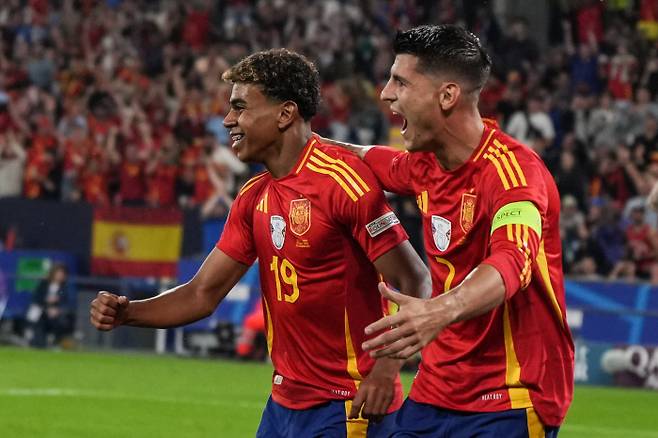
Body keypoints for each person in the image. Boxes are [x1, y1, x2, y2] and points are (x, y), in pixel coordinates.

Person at [90, 48, 431, 437]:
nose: (228, 120)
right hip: (283, 405)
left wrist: (386, 371)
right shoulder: (254, 196)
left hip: (348, 404)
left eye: (240, 108)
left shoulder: (341, 181)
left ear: (285, 114)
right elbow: (202, 293)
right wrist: (129, 313)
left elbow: (414, 279)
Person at [329, 25, 574, 436]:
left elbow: (512, 263)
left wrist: (437, 311)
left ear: (447, 96)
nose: (386, 93)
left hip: (509, 394)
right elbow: (358, 158)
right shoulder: (424, 165)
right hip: (435, 390)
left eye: (400, 82)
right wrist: (287, 143)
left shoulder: (515, 174)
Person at [26, 264, 75, 348]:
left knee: (60, 322)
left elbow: (70, 303)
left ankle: (55, 343)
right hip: (42, 310)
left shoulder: (66, 287)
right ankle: (38, 344)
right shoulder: (44, 284)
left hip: (58, 314)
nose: (60, 276)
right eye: (58, 273)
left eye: (62, 274)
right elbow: (36, 298)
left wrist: (58, 309)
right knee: (39, 320)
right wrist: (46, 301)